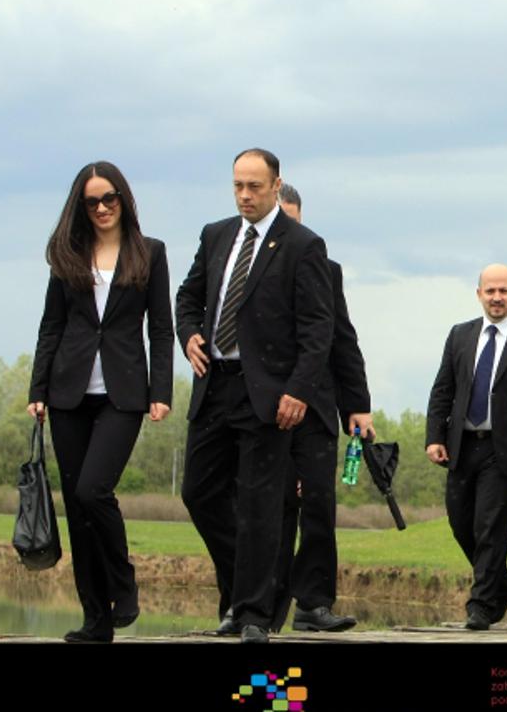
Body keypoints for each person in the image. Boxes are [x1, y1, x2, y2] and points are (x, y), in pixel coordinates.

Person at [176, 148, 334, 643]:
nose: (245, 195)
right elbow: (188, 296)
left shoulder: (303, 245)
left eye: (255, 187)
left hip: (267, 393)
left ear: (275, 184)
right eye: (238, 186)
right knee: (198, 492)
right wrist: (188, 335)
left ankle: (251, 615)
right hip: (215, 383)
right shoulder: (216, 234)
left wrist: (299, 391)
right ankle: (251, 581)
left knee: (261, 501)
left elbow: (318, 328)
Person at [28, 162, 173, 642]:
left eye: (109, 197)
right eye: (92, 201)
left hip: (123, 393)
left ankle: (123, 583)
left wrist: (161, 392)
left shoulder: (150, 253)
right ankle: (96, 619)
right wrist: (37, 390)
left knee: (94, 490)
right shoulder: (67, 255)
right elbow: (52, 325)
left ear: (123, 198)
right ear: (80, 206)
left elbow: (161, 329)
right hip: (67, 393)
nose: (103, 208)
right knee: (76, 504)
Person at [425, 264, 507, 631]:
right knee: (460, 522)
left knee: (491, 527)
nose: (497, 297)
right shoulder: (460, 335)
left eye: (504, 291)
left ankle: (481, 604)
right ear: (479, 293)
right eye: (490, 291)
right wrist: (434, 436)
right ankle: (505, 584)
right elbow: (442, 389)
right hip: (463, 446)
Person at [272, 184, 375, 632]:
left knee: (318, 502)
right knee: (270, 507)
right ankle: (260, 604)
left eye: (293, 223)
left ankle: (313, 604)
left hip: (316, 406)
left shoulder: (324, 269)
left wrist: (358, 405)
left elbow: (342, 339)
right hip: (262, 407)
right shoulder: (246, 270)